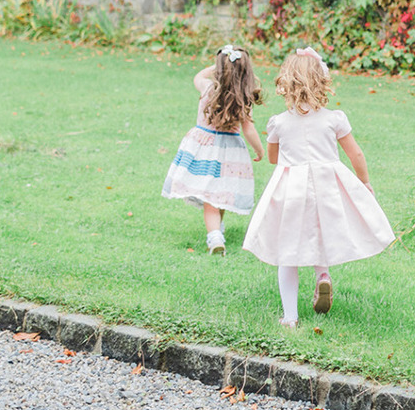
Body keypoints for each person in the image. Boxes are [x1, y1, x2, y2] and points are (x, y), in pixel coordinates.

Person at [243, 46, 394, 327]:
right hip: (328, 187)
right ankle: (322, 275)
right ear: (322, 81)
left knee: (287, 251)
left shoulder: (278, 123)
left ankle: (290, 317)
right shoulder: (335, 119)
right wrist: (365, 183)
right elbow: (356, 154)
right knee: (321, 231)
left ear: (285, 83)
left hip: (292, 190)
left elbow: (274, 158)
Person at [161, 44, 263, 254]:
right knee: (220, 191)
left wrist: (219, 65)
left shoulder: (208, 88)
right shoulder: (243, 97)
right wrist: (260, 150)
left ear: (219, 70)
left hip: (204, 148)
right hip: (229, 151)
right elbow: (249, 130)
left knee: (210, 196)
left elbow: (198, 76)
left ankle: (215, 236)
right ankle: (217, 230)